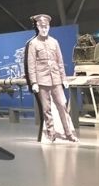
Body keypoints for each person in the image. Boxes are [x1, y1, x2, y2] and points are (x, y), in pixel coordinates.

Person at [26, 14, 78, 144]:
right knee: (46, 109)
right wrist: (34, 82)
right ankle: (51, 133)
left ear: (49, 27)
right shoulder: (33, 44)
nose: (44, 29)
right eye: (42, 27)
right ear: (38, 27)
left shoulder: (54, 42)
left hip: (55, 79)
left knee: (62, 105)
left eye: (46, 26)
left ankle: (68, 133)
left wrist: (64, 79)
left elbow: (60, 62)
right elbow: (31, 65)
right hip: (42, 80)